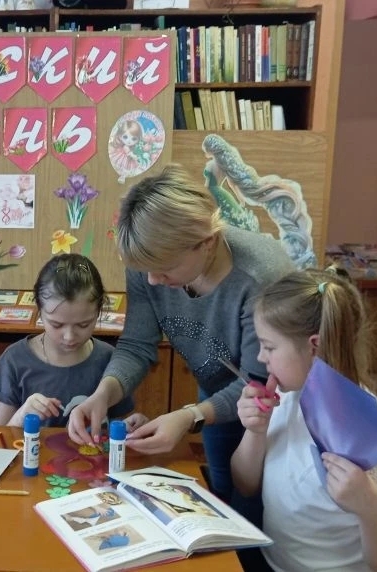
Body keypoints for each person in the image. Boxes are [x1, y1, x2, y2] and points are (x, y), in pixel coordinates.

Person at [67, 164, 295, 507]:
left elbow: (260, 383)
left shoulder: (261, 276)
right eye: (146, 270)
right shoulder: (149, 261)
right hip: (216, 395)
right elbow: (136, 345)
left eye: (165, 269)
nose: (153, 280)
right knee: (222, 494)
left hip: (274, 409)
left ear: (207, 242)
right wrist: (103, 394)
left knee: (259, 507)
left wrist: (191, 416)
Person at [230, 269, 377, 571]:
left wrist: (371, 509)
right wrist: (255, 431)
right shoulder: (288, 396)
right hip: (272, 562)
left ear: (314, 347)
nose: (261, 357)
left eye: (269, 347)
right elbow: (245, 486)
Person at [0, 254, 145, 431]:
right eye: (57, 325)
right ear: (39, 310)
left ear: (99, 311)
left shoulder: (111, 361)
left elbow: (113, 428)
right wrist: (20, 417)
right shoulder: (14, 360)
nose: (70, 336)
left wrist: (126, 428)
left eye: (83, 325)